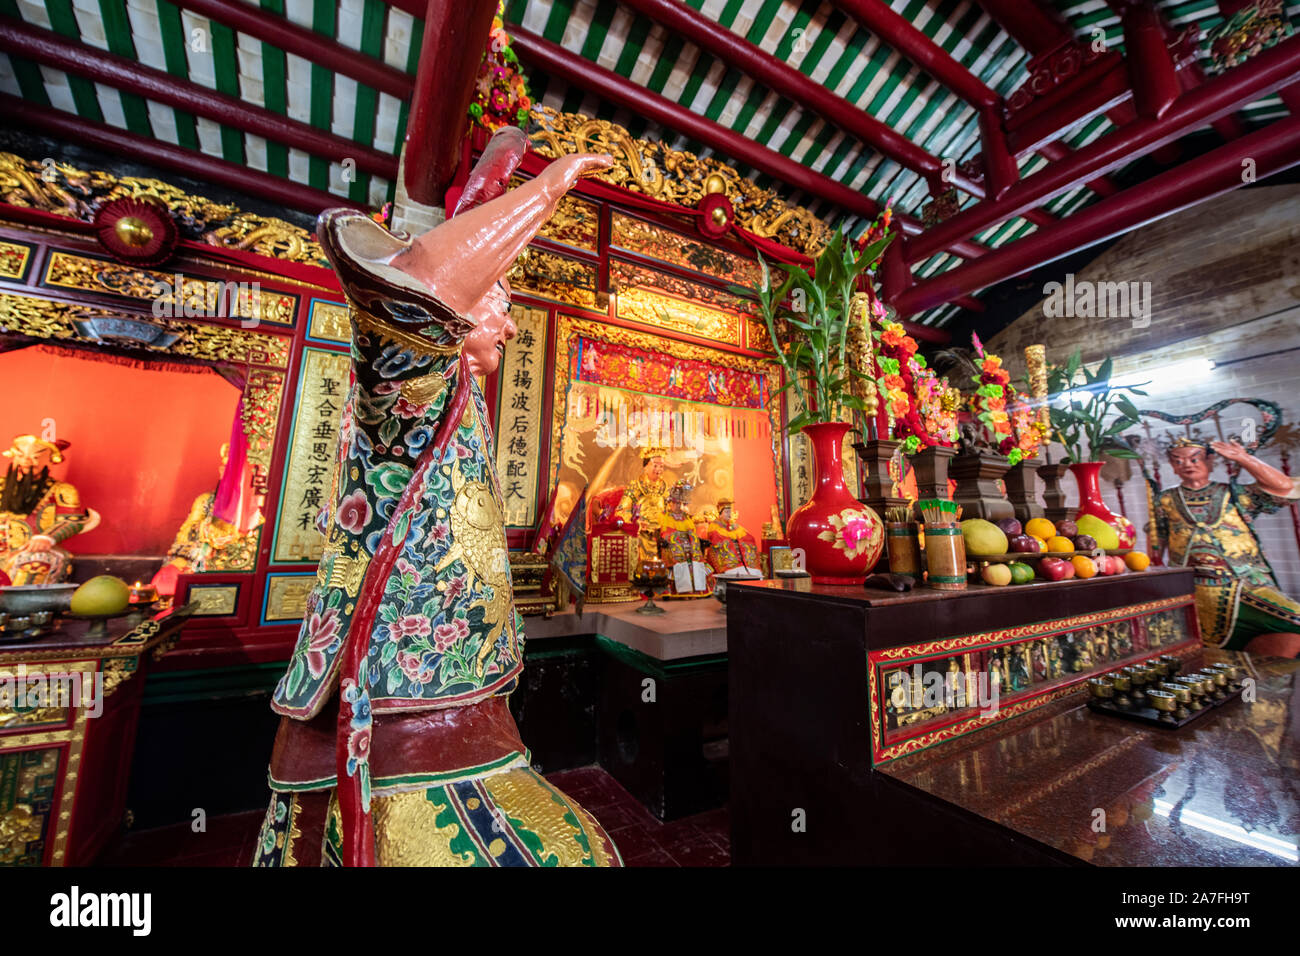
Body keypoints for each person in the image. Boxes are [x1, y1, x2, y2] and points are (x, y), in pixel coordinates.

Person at [254, 128, 621, 866]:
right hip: (391, 701)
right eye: (499, 304)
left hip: (450, 693)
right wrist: (543, 191)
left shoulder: (454, 396)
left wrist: (482, 192)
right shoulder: (404, 383)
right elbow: (428, 281)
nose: (512, 324)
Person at [1150, 437, 1300, 657]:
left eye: (1195, 458)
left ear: (1211, 461)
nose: (1188, 465)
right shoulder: (1165, 499)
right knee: (1191, 650)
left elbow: (1287, 488)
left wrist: (1243, 458)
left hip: (1242, 583)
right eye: (1179, 461)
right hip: (1191, 587)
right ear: (1172, 466)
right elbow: (1157, 542)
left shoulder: (1234, 493)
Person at [0, 434, 97, 585]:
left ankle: (19, 605)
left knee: (37, 560)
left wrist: (45, 538)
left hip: (30, 554)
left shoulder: (62, 491)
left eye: (35, 457)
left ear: (50, 460)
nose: (26, 461)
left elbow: (72, 521)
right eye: (20, 455)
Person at [615, 445, 670, 569]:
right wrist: (636, 522)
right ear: (645, 467)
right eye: (655, 465)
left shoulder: (665, 488)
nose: (659, 469)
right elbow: (621, 510)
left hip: (662, 532)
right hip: (642, 532)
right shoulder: (636, 486)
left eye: (661, 466)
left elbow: (669, 509)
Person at [657, 480, 710, 596]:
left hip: (687, 544)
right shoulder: (665, 517)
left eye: (679, 503)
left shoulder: (686, 517)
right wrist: (677, 539)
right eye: (675, 503)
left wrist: (694, 542)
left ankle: (698, 588)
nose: (678, 506)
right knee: (680, 558)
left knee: (695, 557)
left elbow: (692, 531)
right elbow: (666, 533)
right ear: (670, 503)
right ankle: (683, 590)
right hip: (674, 545)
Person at [701, 498, 762, 578]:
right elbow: (717, 540)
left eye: (730, 512)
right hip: (729, 563)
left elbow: (748, 537)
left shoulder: (734, 525)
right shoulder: (714, 526)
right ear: (720, 513)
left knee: (750, 539)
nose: (729, 514)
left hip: (743, 560)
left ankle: (748, 567)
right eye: (726, 512)